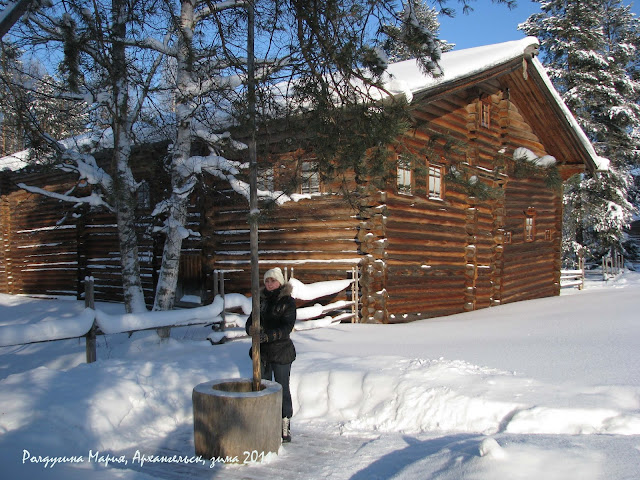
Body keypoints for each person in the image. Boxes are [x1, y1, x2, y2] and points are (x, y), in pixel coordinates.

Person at [245, 267, 296, 442]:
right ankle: (265, 422)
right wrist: (251, 329)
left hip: (281, 351)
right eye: (267, 281)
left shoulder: (288, 301)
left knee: (281, 388)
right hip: (263, 353)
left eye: (272, 281)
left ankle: (284, 423)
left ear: (280, 282)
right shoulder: (261, 301)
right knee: (263, 388)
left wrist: (269, 336)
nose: (269, 284)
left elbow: (286, 327)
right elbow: (251, 321)